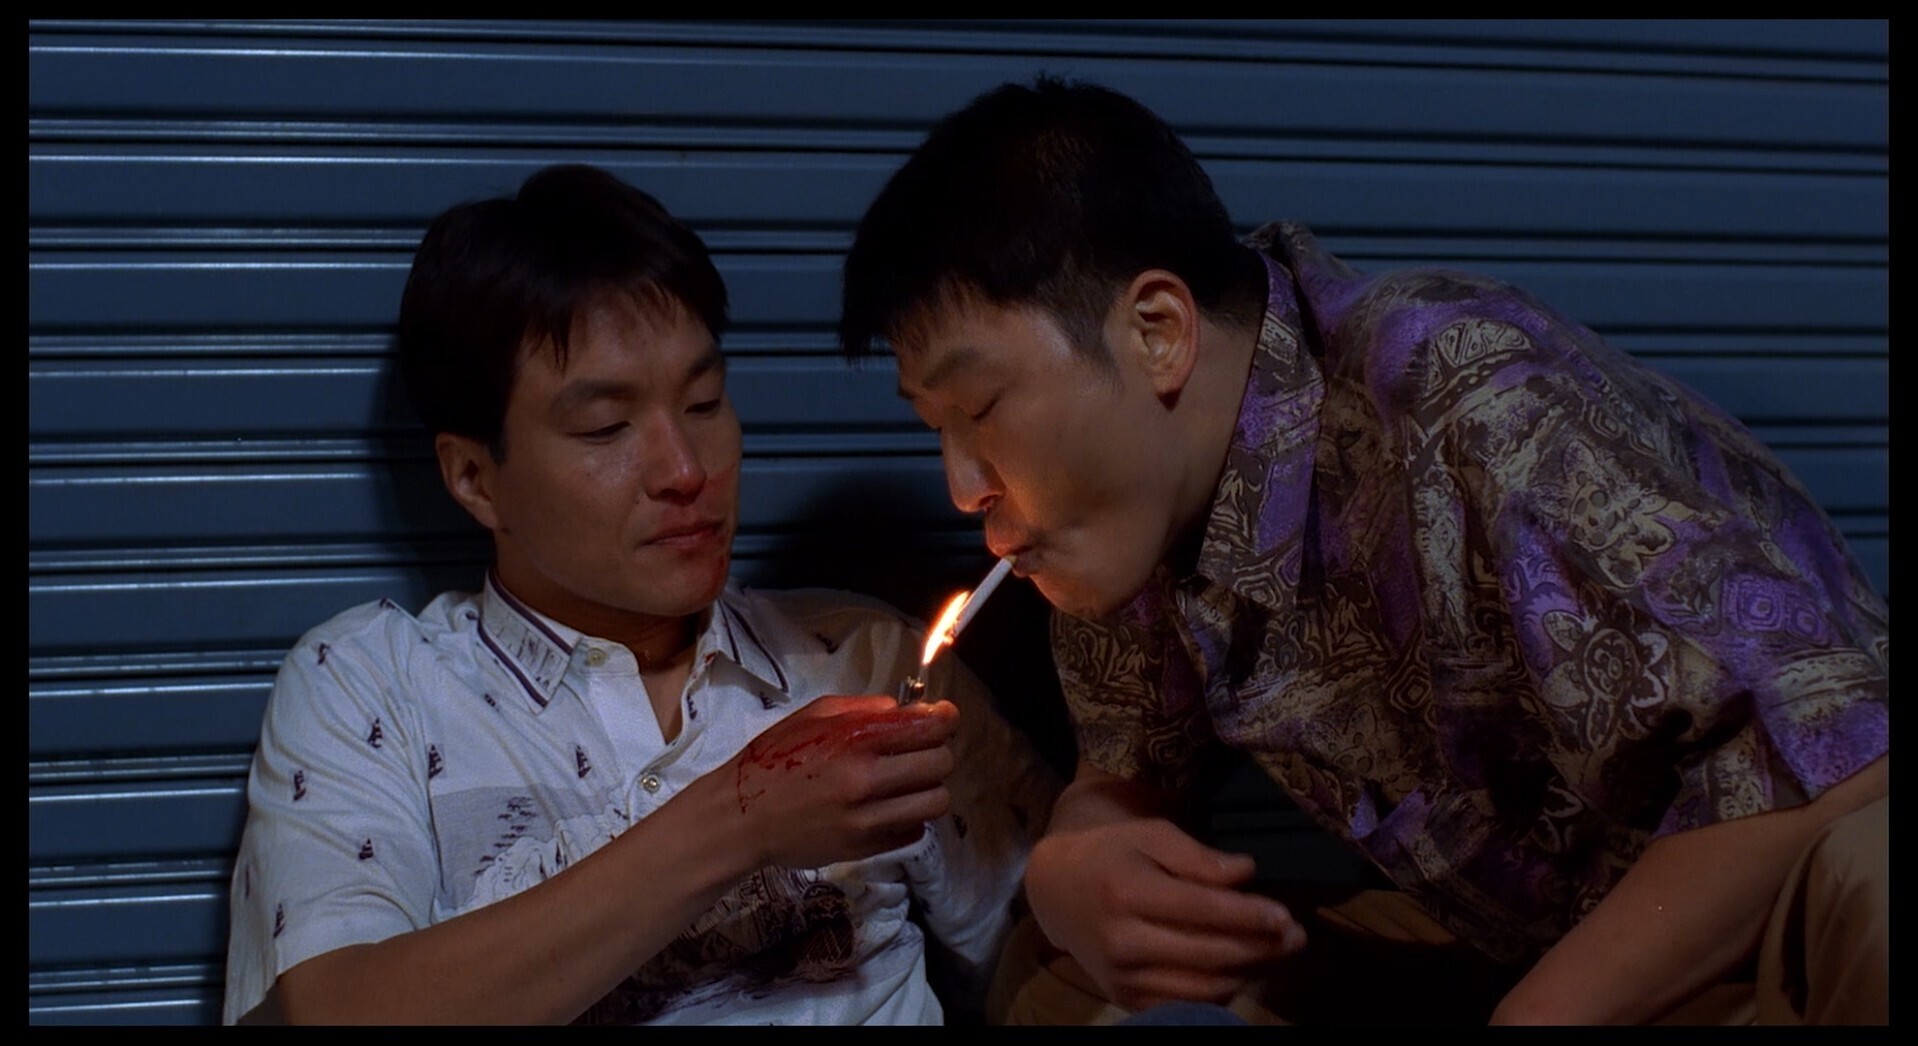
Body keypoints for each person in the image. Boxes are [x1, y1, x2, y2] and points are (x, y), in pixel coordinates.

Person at [838, 77, 1888, 1026]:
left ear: (1156, 331)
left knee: (1875, 880)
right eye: (937, 428)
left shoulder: (1466, 396)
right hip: (1525, 940)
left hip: (1757, 918)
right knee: (1058, 972)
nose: (964, 486)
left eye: (980, 408)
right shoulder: (1125, 523)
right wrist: (1078, 852)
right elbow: (1128, 769)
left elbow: (1847, 747)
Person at [221, 162, 1061, 1026]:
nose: (686, 471)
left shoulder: (863, 662)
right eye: (606, 427)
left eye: (704, 403)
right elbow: (333, 1010)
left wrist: (1098, 881)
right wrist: (741, 819)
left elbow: (1048, 946)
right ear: (474, 477)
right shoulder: (374, 689)